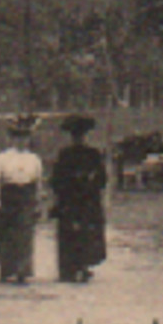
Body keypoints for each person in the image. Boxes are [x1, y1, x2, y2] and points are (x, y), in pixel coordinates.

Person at [0, 116, 44, 284]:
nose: (21, 140)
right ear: (11, 138)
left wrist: (38, 202)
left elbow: (38, 183)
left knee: (24, 234)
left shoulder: (34, 159)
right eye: (17, 136)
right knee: (4, 234)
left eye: (25, 137)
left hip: (25, 197)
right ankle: (6, 267)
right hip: (8, 197)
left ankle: (22, 270)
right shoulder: (1, 158)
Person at [50, 114, 108, 283]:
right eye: (77, 136)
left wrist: (89, 185)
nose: (79, 139)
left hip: (85, 199)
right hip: (72, 199)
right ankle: (70, 267)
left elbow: (101, 179)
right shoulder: (66, 154)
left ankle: (81, 266)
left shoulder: (93, 154)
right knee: (71, 232)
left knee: (84, 233)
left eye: (81, 135)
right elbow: (57, 179)